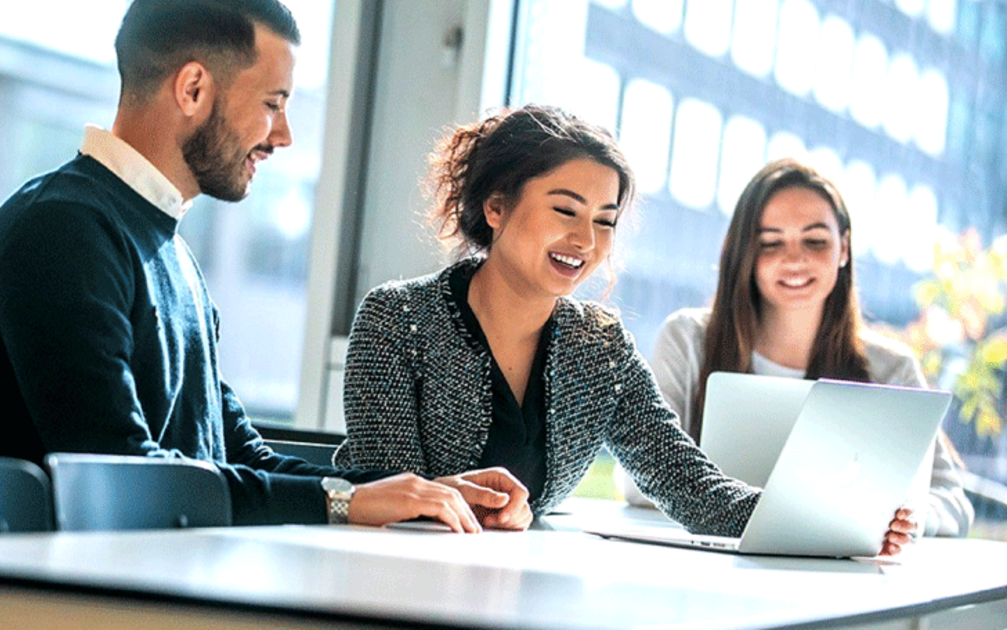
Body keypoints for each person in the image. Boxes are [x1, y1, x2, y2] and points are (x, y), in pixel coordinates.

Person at [0, 0, 531, 533]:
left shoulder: (162, 243)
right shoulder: (61, 233)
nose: (284, 135)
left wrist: (406, 493)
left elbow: (239, 455)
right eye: (272, 103)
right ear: (193, 88)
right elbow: (120, 476)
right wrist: (344, 505)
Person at [333, 105, 918, 554]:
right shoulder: (399, 319)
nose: (586, 242)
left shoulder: (600, 346)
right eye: (565, 210)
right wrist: (467, 502)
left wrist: (831, 523)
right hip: (397, 585)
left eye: (605, 221)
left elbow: (692, 487)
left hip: (517, 588)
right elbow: (391, 491)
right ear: (496, 207)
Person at [640, 157, 974, 537]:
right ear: (744, 254)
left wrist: (907, 518)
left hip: (840, 577)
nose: (794, 259)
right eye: (770, 243)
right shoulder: (688, 340)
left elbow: (952, 501)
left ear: (844, 248)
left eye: (815, 241)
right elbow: (637, 480)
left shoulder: (891, 369)